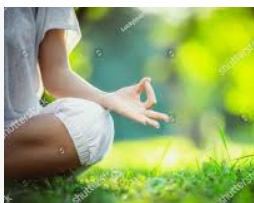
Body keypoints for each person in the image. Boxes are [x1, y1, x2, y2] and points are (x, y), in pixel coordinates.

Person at [4, 7, 170, 179]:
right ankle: (23, 176)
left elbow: (56, 73)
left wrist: (108, 98)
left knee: (95, 121)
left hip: (18, 133)